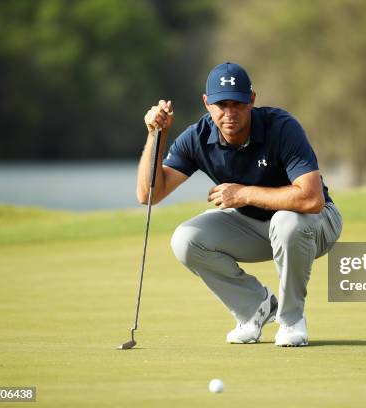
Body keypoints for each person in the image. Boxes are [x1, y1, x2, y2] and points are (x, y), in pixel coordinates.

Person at [137, 62, 343, 347]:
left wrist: (244, 194)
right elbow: (150, 194)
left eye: (238, 104)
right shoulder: (197, 138)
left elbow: (312, 198)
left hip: (316, 223)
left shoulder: (281, 128)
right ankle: (255, 308)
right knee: (186, 239)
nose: (230, 113)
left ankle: (292, 319)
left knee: (286, 222)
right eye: (222, 104)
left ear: (253, 100)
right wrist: (155, 134)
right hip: (256, 227)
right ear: (207, 103)